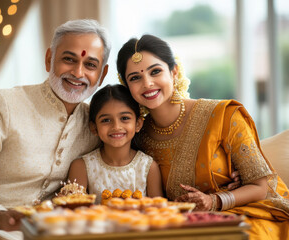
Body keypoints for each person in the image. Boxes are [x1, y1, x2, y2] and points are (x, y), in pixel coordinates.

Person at [0, 19, 110, 240]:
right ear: (49, 59)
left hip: (32, 230)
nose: (78, 72)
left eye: (90, 65)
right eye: (69, 59)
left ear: (102, 74)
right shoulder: (4, 103)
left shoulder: (97, 124)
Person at [116, 34, 289, 239]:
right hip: (181, 226)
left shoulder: (223, 115)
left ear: (174, 72)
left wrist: (216, 200)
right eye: (135, 77)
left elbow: (262, 187)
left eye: (156, 71)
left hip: (246, 216)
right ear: (127, 86)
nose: (147, 83)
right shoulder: (136, 136)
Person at [67, 84, 163, 203]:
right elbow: (74, 213)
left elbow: (159, 211)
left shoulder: (148, 167)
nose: (116, 127)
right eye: (106, 120)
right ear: (94, 128)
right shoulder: (82, 167)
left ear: (138, 124)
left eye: (124, 118)